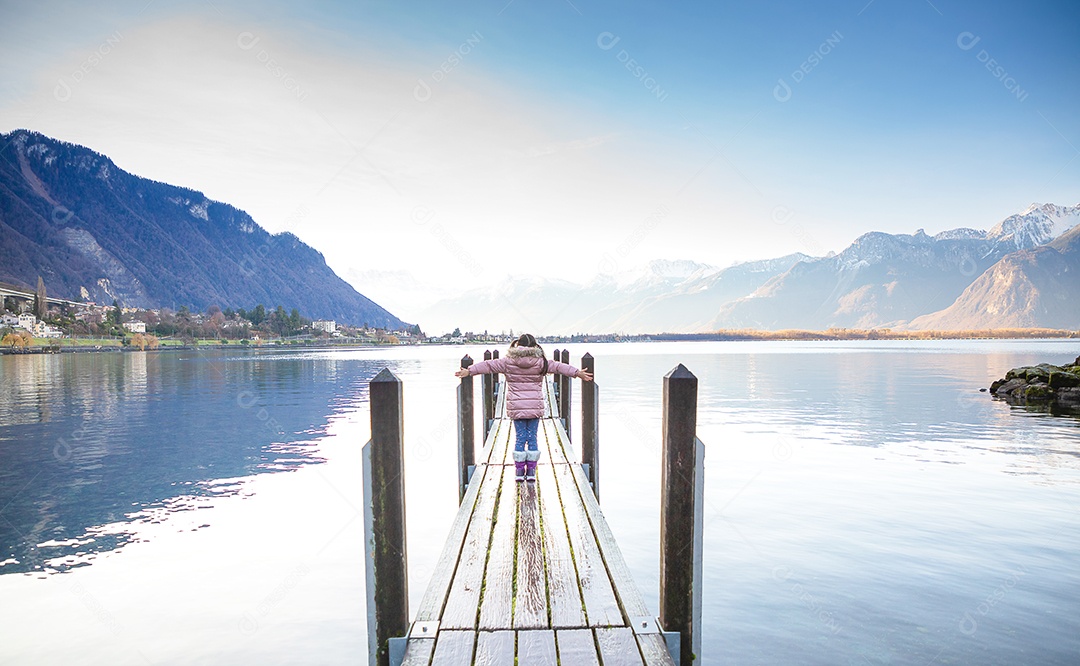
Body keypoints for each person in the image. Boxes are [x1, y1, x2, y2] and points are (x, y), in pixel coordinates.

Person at [455, 333, 592, 482]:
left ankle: (519, 472)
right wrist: (577, 373)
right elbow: (559, 367)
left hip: (516, 407)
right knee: (532, 437)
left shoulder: (508, 362)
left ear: (517, 345)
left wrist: (469, 371)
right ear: (534, 346)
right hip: (535, 407)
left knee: (520, 438)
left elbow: (488, 365)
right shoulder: (541, 362)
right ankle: (531, 471)